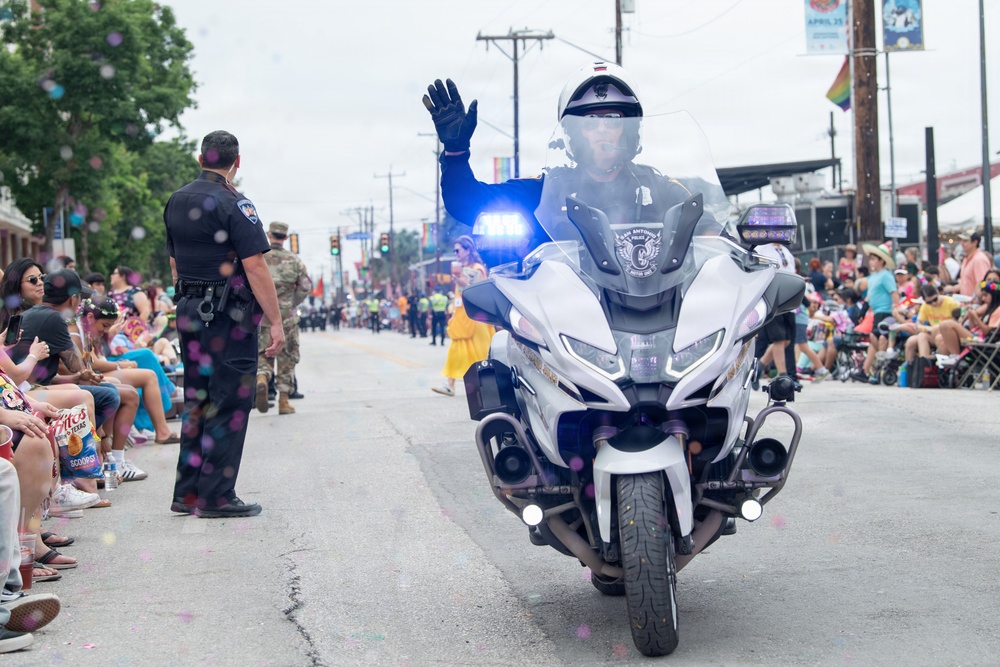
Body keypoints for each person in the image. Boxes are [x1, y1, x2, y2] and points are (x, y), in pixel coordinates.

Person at [423, 63, 695, 263]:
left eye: (612, 119)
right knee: (506, 342)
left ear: (630, 130)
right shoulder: (546, 191)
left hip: (655, 317)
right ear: (574, 135)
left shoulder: (658, 190)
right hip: (562, 325)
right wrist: (456, 152)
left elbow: (710, 230)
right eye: (589, 121)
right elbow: (466, 202)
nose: (601, 128)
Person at [163, 129, 284, 518]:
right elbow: (255, 265)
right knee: (230, 400)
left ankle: (188, 493)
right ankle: (217, 495)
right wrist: (276, 321)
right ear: (237, 162)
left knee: (198, 398)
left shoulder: (176, 200)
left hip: (189, 309)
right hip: (226, 316)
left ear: (200, 159)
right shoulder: (235, 202)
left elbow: (175, 263)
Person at [255, 221, 310, 416]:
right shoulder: (294, 260)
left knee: (263, 353)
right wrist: (291, 303)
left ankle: (262, 378)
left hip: (262, 316)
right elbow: (305, 286)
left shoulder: (259, 259)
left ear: (269, 235)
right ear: (285, 238)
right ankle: (284, 402)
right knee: (287, 357)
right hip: (286, 317)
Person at [431, 236, 493, 396]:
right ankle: (450, 384)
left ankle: (484, 385)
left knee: (479, 351)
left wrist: (462, 283)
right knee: (456, 348)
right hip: (461, 315)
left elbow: (478, 290)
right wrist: (453, 312)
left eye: (458, 250)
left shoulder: (477, 268)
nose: (456, 253)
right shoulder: (461, 270)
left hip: (475, 317)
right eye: (454, 251)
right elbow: (459, 296)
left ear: (468, 250)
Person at [852, 242, 900, 383]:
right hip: (876, 312)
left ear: (881, 261)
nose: (871, 261)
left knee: (876, 337)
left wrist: (897, 309)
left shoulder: (886, 276)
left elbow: (894, 293)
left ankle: (880, 368)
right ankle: (867, 371)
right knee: (874, 340)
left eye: (874, 259)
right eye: (871, 258)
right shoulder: (873, 277)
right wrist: (863, 311)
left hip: (886, 312)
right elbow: (869, 295)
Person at [945, 232, 993, 297]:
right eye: (961, 241)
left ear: (975, 242)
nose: (962, 243)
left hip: (976, 303)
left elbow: (983, 283)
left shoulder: (979, 259)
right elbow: (966, 282)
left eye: (965, 241)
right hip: (967, 302)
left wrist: (976, 298)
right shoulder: (966, 259)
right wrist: (953, 288)